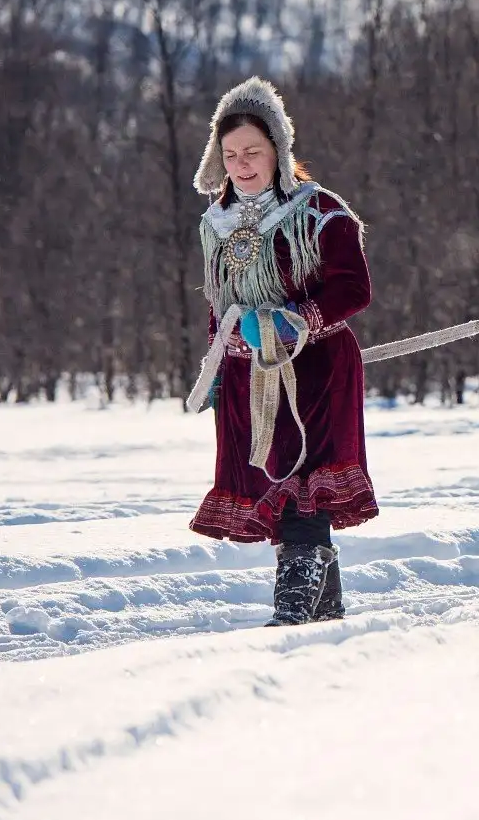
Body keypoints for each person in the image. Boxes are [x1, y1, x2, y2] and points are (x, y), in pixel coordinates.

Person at [184, 77, 375, 626]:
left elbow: (354, 287)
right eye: (230, 154)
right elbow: (219, 301)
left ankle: (290, 620)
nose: (241, 165)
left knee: (302, 493)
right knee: (278, 491)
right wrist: (219, 360)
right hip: (248, 381)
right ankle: (325, 616)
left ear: (279, 151)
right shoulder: (215, 223)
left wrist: (294, 322)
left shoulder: (321, 212)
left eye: (253, 152)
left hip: (314, 374)